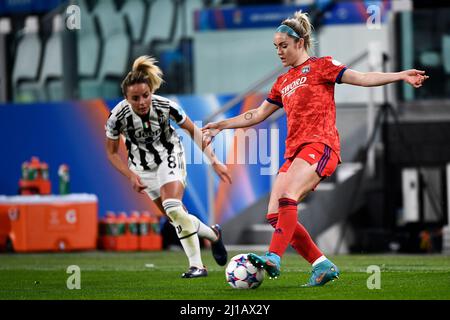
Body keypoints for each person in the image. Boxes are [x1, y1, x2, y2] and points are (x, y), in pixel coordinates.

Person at [202, 11, 428, 286]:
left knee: (288, 195)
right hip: (294, 152)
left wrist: (400, 75)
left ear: (301, 42)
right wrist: (221, 124)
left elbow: (363, 77)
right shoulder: (282, 82)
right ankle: (321, 265)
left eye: (283, 45)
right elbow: (257, 115)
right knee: (274, 214)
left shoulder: (322, 66)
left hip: (321, 145)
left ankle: (273, 256)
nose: (279, 52)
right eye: (276, 47)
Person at [106, 56, 232, 278]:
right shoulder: (117, 116)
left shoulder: (166, 106)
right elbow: (112, 152)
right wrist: (130, 175)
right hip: (142, 168)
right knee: (176, 217)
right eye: (135, 98)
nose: (142, 102)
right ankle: (213, 235)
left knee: (173, 207)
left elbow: (194, 131)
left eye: (146, 95)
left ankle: (197, 266)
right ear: (126, 98)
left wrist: (214, 160)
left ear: (151, 92)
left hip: (170, 155)